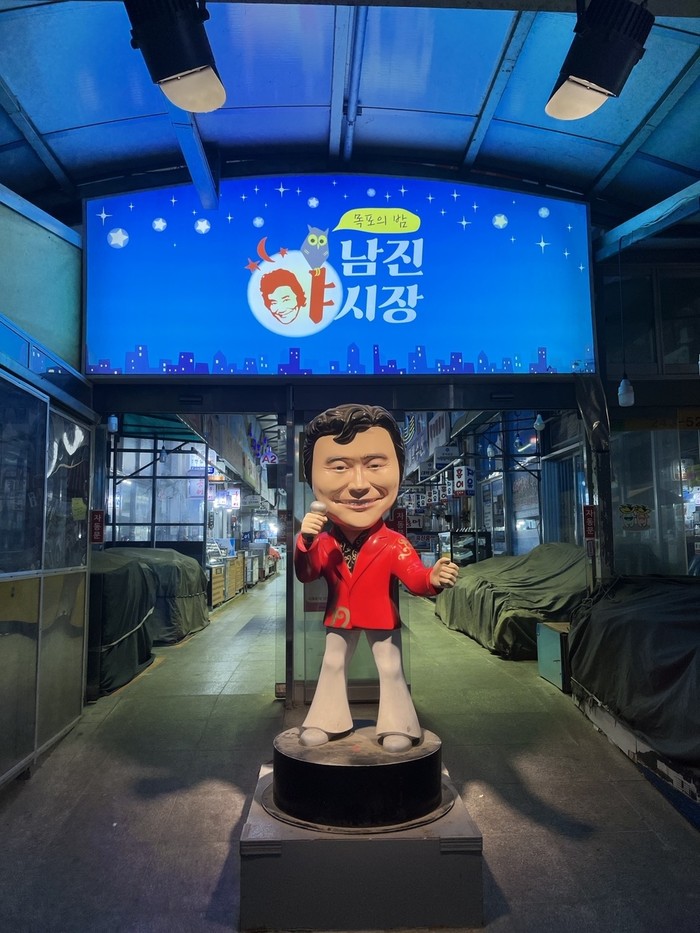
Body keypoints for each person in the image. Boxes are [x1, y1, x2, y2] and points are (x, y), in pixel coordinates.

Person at [294, 403, 459, 753]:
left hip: (381, 616)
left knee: (390, 665)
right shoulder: (324, 541)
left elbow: (414, 577)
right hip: (341, 614)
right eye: (339, 467)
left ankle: (400, 723)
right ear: (311, 477)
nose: (358, 485)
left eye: (375, 465)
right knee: (332, 662)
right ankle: (326, 720)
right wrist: (305, 541)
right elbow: (306, 574)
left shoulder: (394, 543)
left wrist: (432, 577)